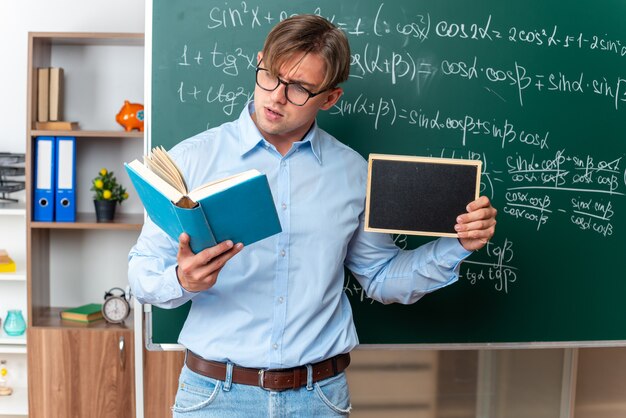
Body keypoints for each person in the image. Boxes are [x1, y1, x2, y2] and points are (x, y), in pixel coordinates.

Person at [128, 14, 497, 417]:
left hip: (317, 398)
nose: (277, 96)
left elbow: (380, 278)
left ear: (330, 97)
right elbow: (142, 275)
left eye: (300, 88)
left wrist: (457, 245)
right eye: (270, 75)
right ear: (260, 63)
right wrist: (183, 280)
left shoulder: (354, 173)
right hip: (215, 395)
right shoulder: (190, 161)